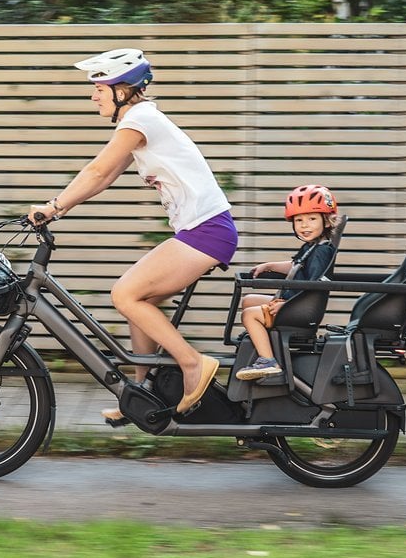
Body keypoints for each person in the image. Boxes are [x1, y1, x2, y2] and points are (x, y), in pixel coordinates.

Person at [27, 48, 238, 421]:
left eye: (99, 87)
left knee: (125, 293)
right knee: (137, 300)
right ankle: (144, 393)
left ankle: (193, 364)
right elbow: (106, 178)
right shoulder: (141, 122)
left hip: (207, 230)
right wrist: (62, 209)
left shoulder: (141, 119)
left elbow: (96, 171)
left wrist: (54, 206)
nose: (93, 95)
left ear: (122, 90)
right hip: (203, 228)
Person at [234, 184, 340, 381]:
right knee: (249, 300)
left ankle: (268, 361)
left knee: (249, 315)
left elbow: (313, 284)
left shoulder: (321, 252)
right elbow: (295, 266)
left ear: (326, 221)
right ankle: (262, 340)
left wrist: (287, 304)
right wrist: (270, 266)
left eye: (311, 219)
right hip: (296, 304)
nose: (304, 225)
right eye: (299, 220)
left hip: (300, 309)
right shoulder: (313, 246)